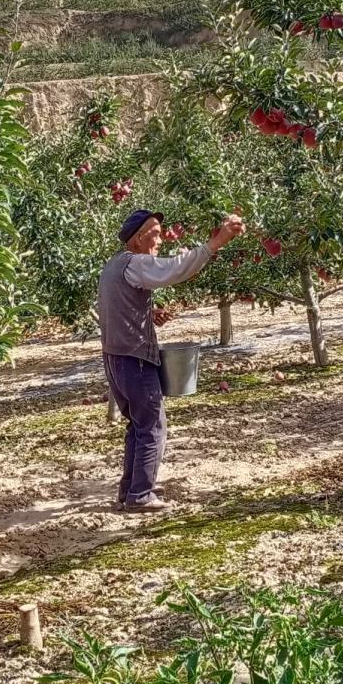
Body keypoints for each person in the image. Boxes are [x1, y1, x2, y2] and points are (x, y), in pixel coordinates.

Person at [98, 207, 245, 512]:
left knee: (137, 424)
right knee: (153, 424)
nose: (161, 239)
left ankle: (130, 490)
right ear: (137, 240)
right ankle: (141, 495)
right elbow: (175, 270)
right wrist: (214, 244)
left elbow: (116, 304)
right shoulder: (138, 263)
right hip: (134, 357)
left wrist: (147, 314)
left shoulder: (113, 266)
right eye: (154, 233)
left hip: (114, 359)